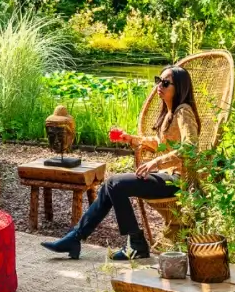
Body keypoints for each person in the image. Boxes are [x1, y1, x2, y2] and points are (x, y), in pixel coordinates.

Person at [42, 64, 201, 261]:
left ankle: (133, 243)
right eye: (158, 81)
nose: (159, 85)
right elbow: (161, 144)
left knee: (114, 184)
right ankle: (75, 238)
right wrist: (131, 138)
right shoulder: (171, 113)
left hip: (178, 181)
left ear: (180, 88)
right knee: (111, 185)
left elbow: (191, 147)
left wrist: (156, 163)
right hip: (166, 177)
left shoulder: (184, 111)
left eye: (166, 83)